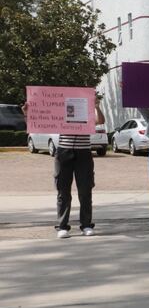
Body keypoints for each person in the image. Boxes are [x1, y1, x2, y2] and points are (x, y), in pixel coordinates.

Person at [23, 95, 106, 238]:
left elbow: (101, 121)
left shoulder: (86, 113)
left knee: (85, 191)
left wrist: (96, 106)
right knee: (63, 192)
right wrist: (27, 114)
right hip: (63, 152)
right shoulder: (59, 115)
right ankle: (62, 227)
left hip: (83, 153)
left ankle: (86, 225)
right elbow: (39, 124)